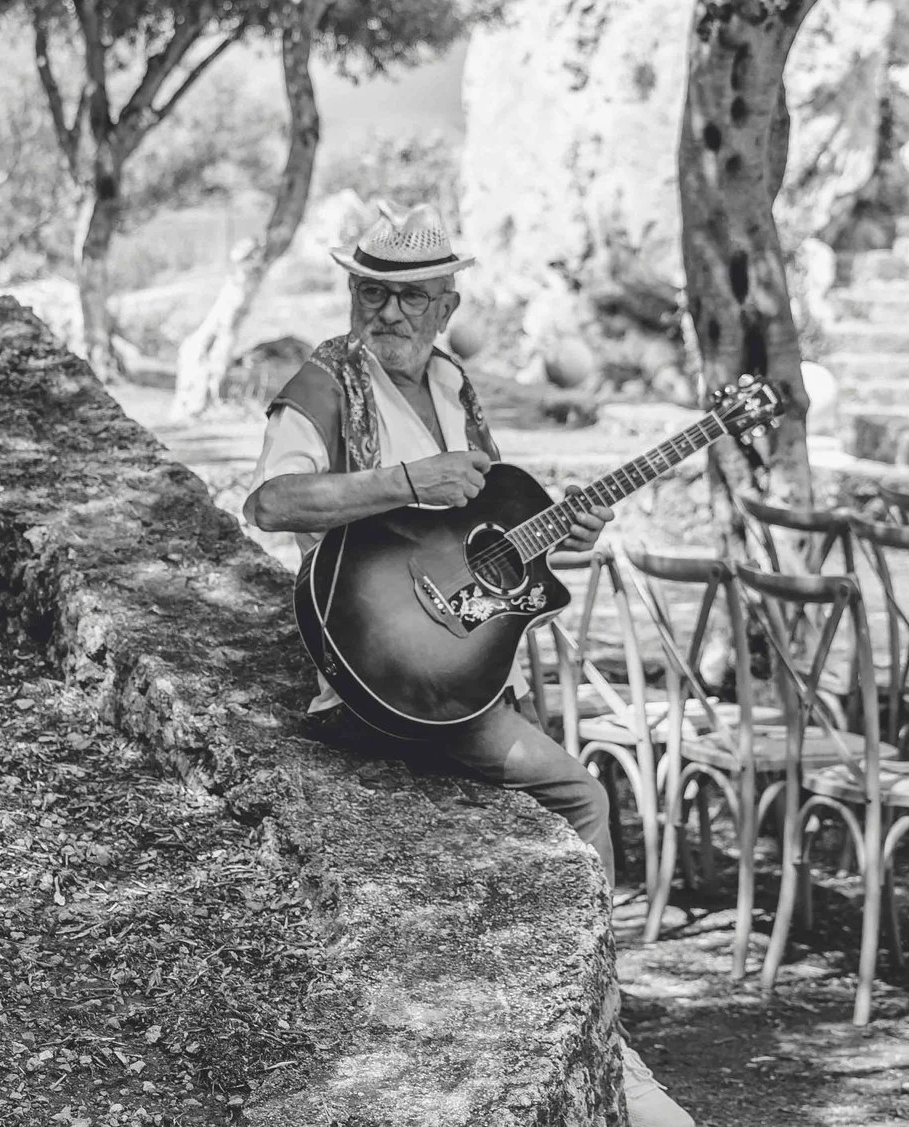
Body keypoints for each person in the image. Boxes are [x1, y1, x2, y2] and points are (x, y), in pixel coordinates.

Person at [241, 204, 695, 1127]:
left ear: (448, 303)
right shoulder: (323, 383)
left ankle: (588, 1024)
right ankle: (604, 1039)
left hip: (450, 658)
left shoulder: (455, 387)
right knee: (578, 794)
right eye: (372, 291)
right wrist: (402, 482)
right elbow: (272, 501)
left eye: (411, 296)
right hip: (371, 670)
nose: (390, 312)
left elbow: (476, 553)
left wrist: (560, 536)